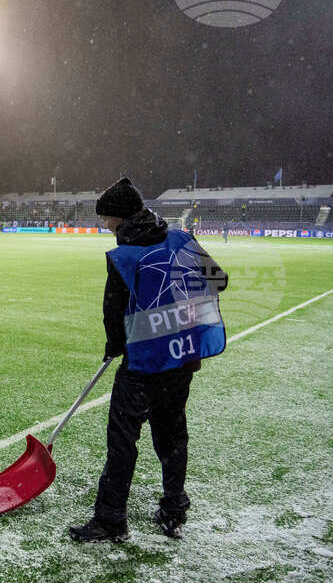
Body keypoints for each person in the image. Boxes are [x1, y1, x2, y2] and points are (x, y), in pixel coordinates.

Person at [70, 178, 229, 543]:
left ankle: (111, 520)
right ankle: (174, 510)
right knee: (172, 434)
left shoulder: (124, 256)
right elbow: (218, 281)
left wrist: (113, 346)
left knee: (123, 439)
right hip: (182, 358)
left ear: (121, 217)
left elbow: (113, 314)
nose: (105, 226)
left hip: (143, 364)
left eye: (107, 219)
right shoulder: (181, 240)